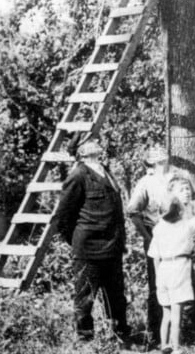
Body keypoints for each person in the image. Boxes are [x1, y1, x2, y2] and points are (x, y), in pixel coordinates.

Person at [55, 138, 132, 345]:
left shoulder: (105, 170)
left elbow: (117, 211)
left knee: (116, 296)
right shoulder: (78, 175)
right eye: (90, 141)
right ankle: (86, 342)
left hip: (112, 246)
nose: (97, 143)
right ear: (81, 151)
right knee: (85, 298)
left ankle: (120, 336)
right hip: (88, 250)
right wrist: (78, 241)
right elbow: (62, 217)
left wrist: (121, 241)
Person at [148, 174, 195, 354]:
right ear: (180, 211)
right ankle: (176, 347)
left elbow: (154, 256)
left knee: (166, 314)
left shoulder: (158, 228)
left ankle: (164, 345)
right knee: (177, 313)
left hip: (163, 271)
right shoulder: (186, 225)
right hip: (179, 268)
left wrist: (157, 279)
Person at [128, 144, 176, 348]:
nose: (161, 157)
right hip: (157, 239)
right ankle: (155, 335)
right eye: (156, 155)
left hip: (178, 238)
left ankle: (184, 331)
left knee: (181, 283)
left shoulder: (176, 177)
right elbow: (133, 212)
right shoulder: (146, 182)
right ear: (150, 161)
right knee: (158, 285)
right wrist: (148, 237)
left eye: (163, 153)